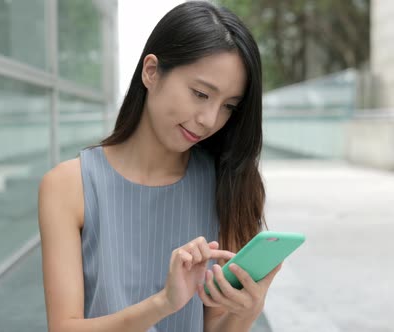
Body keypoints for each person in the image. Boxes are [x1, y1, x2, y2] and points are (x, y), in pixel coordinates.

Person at [37, 1, 282, 331]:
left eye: (228, 107)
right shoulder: (68, 186)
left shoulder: (228, 184)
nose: (209, 120)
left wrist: (247, 310)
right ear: (151, 71)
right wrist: (163, 304)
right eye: (200, 93)